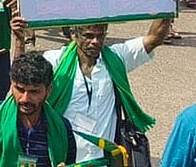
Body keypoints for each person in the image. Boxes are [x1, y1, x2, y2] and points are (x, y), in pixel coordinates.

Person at [35, 17, 170, 164]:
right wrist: (19, 42)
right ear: (73, 34)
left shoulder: (116, 58)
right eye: (88, 36)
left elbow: (154, 38)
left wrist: (166, 8)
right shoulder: (55, 60)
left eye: (100, 36)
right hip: (62, 160)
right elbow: (24, 80)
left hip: (104, 161)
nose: (95, 41)